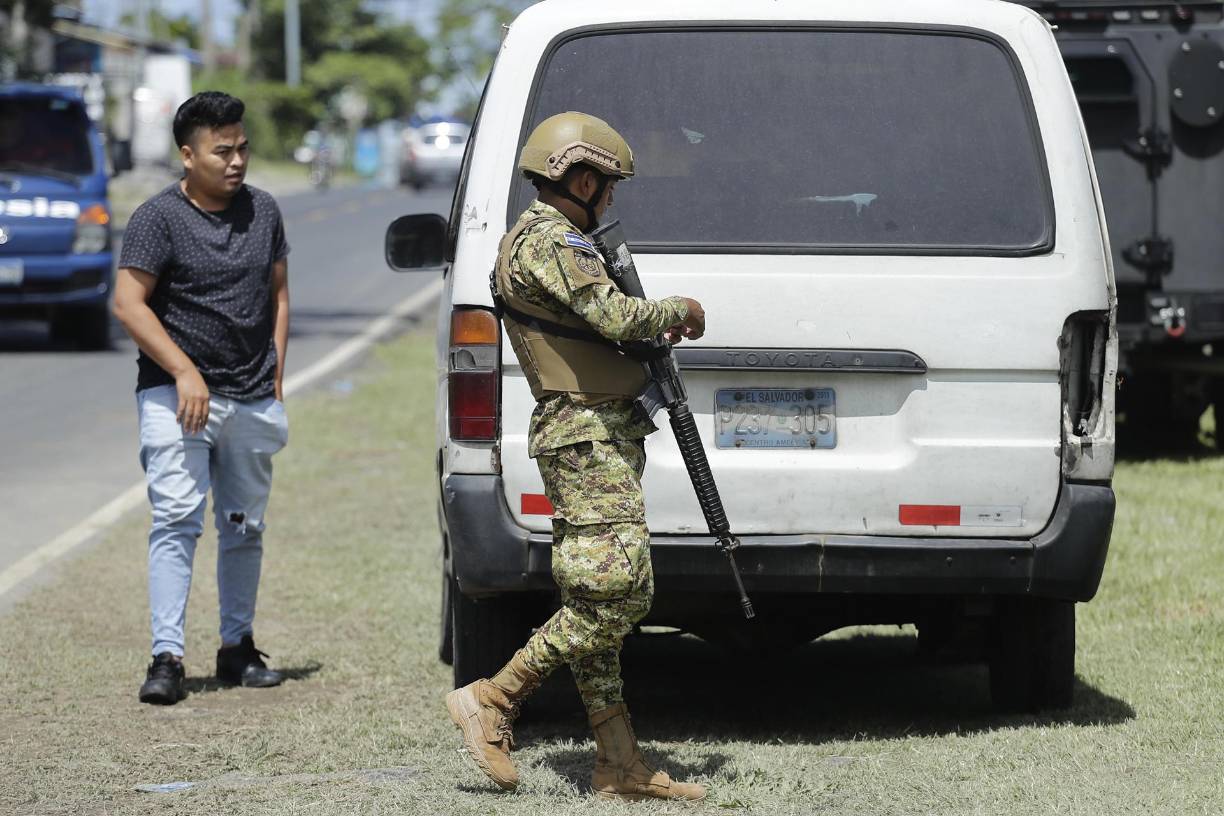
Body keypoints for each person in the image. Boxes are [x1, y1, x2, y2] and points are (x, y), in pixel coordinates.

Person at [445, 111, 707, 801]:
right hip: (582, 434)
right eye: (609, 185)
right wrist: (680, 309)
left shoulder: (552, 241)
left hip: (598, 429)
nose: (612, 199)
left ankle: (618, 764)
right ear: (581, 177)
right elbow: (617, 317)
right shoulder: (550, 241)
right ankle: (496, 697)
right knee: (624, 587)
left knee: (596, 592)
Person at [112, 91, 290, 705]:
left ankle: (237, 648)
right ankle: (167, 657)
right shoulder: (156, 218)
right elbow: (127, 304)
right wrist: (184, 371)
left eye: (242, 147)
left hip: (250, 397)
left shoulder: (264, 211)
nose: (237, 160)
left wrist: (277, 371)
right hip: (175, 396)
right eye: (223, 151)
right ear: (188, 156)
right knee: (176, 521)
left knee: (244, 527)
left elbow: (279, 293)